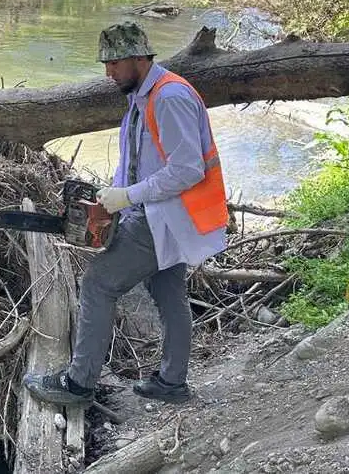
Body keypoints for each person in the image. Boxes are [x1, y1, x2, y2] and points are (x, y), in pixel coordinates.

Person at [23, 21, 228, 406]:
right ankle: (172, 382)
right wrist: (108, 200)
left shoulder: (169, 98)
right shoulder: (140, 97)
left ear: (138, 57)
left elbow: (187, 169)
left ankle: (79, 384)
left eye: (114, 64)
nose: (108, 73)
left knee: (99, 283)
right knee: (168, 291)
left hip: (165, 216)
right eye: (106, 64)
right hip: (156, 212)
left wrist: (127, 197)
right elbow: (136, 161)